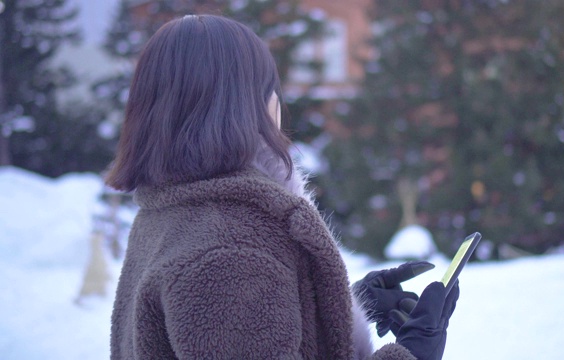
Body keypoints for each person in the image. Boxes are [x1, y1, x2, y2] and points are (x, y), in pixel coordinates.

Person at [107, 14, 459, 360]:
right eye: (268, 87)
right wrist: (414, 354)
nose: (277, 101)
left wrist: (333, 311)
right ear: (241, 105)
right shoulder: (233, 249)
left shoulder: (172, 216)